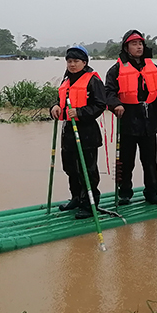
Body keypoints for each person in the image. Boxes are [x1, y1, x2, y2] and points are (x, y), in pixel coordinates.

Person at [104, 30, 157, 205]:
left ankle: (152, 192)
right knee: (125, 160)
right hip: (127, 119)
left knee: (150, 161)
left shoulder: (152, 67)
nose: (138, 47)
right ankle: (125, 192)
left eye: (140, 43)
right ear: (126, 47)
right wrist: (115, 104)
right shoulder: (116, 69)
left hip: (149, 119)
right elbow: (108, 92)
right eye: (134, 44)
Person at [49, 45, 107, 219]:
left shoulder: (93, 80)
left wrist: (80, 112)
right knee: (70, 168)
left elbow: (100, 105)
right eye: (69, 61)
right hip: (68, 131)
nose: (72, 64)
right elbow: (59, 99)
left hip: (86, 132)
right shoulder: (66, 80)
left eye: (76, 61)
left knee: (87, 170)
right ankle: (76, 197)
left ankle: (90, 204)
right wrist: (55, 107)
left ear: (84, 62)